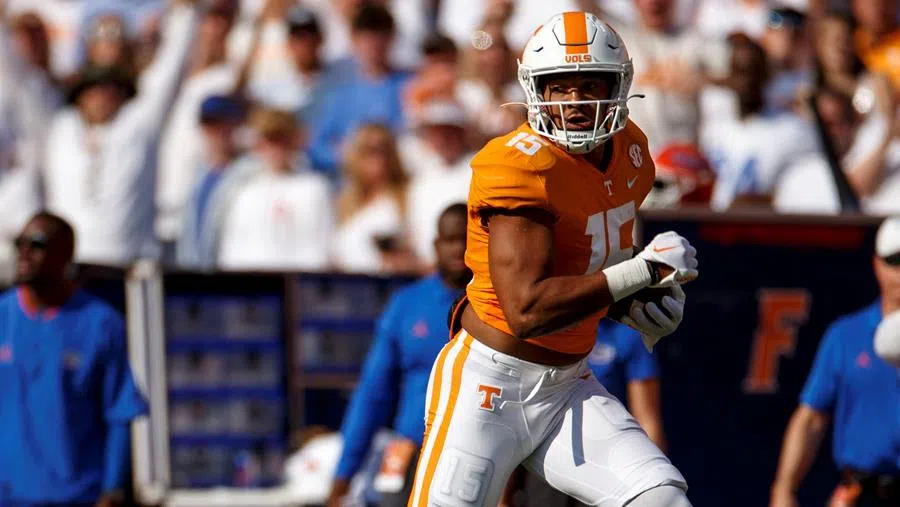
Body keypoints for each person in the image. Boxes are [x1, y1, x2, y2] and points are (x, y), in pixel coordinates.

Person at [406, 12, 699, 507]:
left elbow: (586, 261)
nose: (575, 101)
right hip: (488, 387)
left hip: (567, 385)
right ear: (534, 90)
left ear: (620, 85)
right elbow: (527, 309)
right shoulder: (520, 164)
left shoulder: (631, 152)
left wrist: (635, 301)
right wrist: (642, 271)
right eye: (559, 87)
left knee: (661, 498)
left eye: (591, 85)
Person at [327, 203, 470, 507]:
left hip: (475, 452)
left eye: (468, 239)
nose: (459, 248)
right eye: (451, 240)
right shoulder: (407, 304)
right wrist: (343, 476)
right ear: (436, 245)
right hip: (410, 448)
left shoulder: (501, 305)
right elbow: (372, 393)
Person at [0, 212, 148, 505]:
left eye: (36, 244)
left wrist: (112, 490)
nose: (24, 253)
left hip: (78, 495)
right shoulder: (3, 317)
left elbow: (119, 412)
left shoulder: (101, 323)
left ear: (65, 255)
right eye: (19, 243)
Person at [42, 0, 198, 266]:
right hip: (68, 267)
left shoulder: (138, 122)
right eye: (93, 88)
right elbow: (16, 82)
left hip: (129, 266)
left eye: (111, 87)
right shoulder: (61, 126)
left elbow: (172, 67)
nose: (101, 95)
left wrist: (186, 15)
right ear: (80, 95)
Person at [770, 217, 900, 507]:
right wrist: (784, 489)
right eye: (895, 261)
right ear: (877, 265)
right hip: (861, 493)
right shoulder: (846, 335)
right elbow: (811, 418)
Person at [217, 107, 334, 271]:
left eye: (281, 139)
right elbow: (232, 251)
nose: (274, 148)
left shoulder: (314, 188)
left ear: (294, 141)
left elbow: (319, 250)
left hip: (295, 281)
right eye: (268, 140)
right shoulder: (244, 192)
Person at [333, 123, 417, 274]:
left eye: (384, 149)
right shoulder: (344, 203)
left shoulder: (409, 195)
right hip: (349, 283)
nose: (378, 157)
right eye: (368, 150)